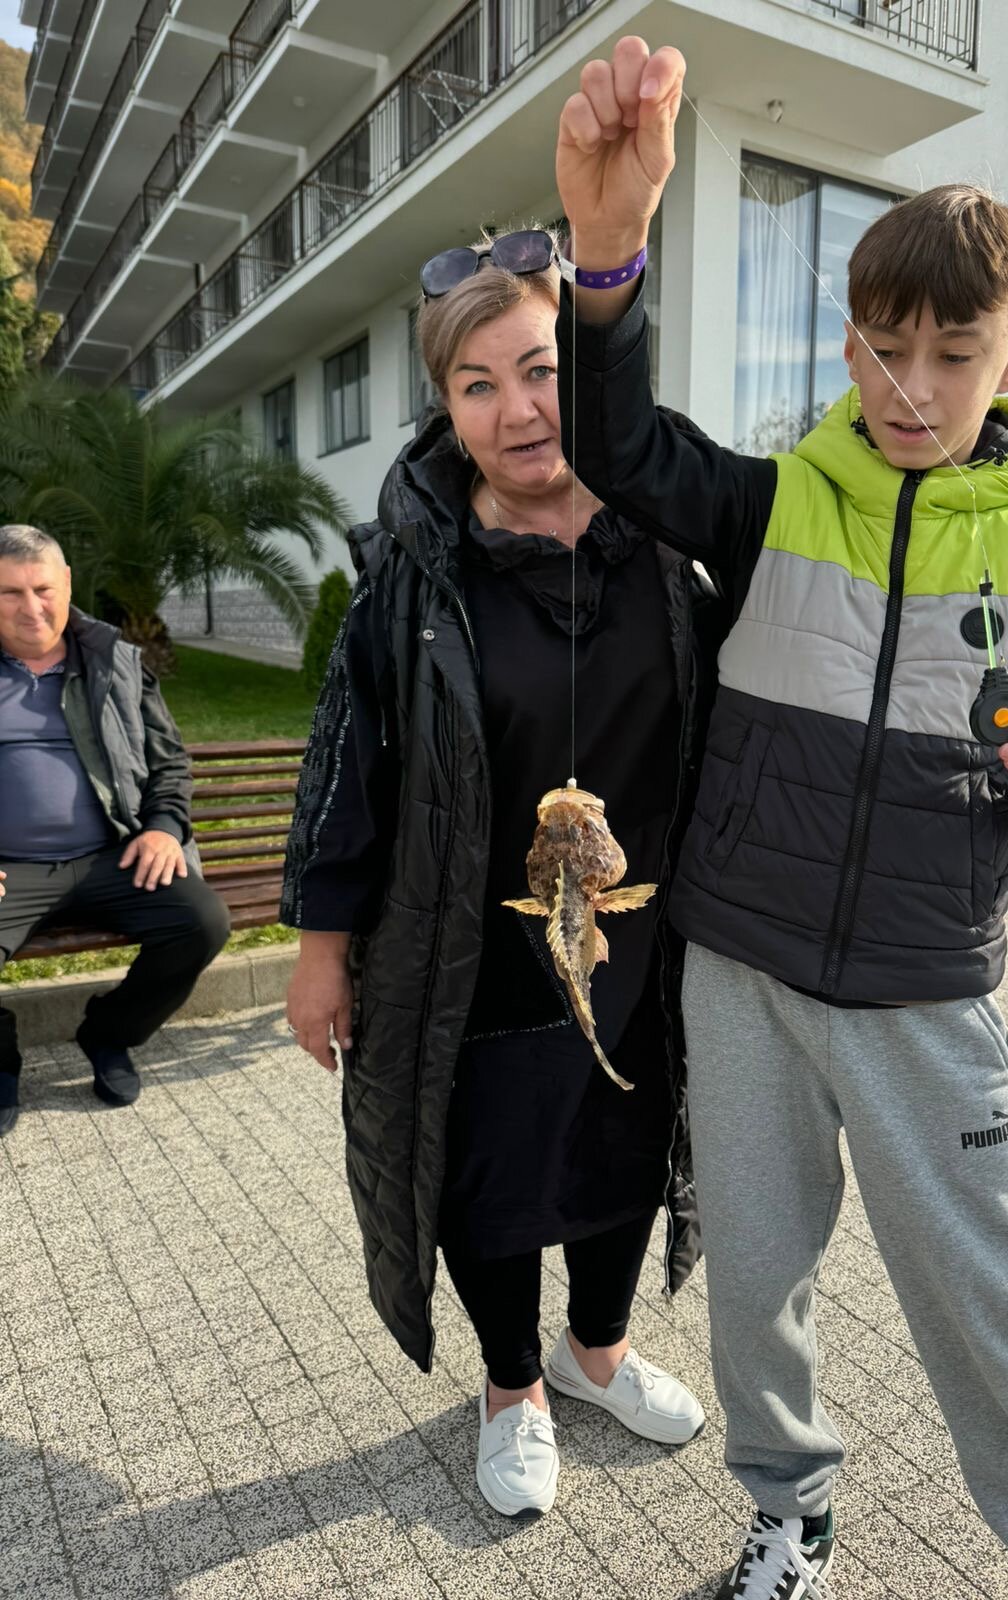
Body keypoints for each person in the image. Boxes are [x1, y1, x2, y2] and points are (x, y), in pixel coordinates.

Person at [555, 38, 1008, 1600]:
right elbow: (618, 447)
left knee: (986, 1297)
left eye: (954, 354)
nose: (911, 389)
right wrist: (607, 256)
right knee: (757, 1283)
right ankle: (789, 1512)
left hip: (927, 993)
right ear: (851, 341)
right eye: (884, 350)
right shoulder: (766, 504)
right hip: (740, 974)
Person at [280, 229, 711, 1519]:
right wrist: (320, 950)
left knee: (628, 1147)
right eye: (478, 384)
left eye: (540, 370)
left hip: (641, 941)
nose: (518, 408)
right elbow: (347, 761)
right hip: (468, 948)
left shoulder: (667, 535)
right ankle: (514, 1385)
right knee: (490, 1173)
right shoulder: (413, 573)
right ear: (448, 406)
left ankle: (598, 1353)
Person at [0, 524, 230, 1138]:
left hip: (112, 855)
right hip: (11, 870)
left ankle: (109, 1034)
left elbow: (169, 762)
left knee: (201, 922)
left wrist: (162, 828)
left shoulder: (115, 660)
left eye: (43, 589)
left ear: (67, 584)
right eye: (10, 592)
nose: (31, 607)